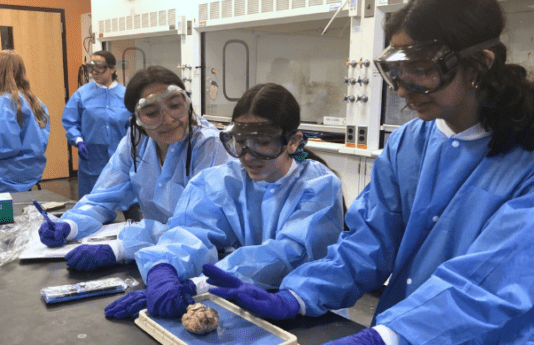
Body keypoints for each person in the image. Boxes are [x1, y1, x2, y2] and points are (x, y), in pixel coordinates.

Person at [199, 0, 534, 345]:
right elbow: (367, 244)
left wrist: (381, 341)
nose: (402, 88)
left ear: (480, 63)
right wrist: (298, 296)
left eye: (419, 68)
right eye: (394, 70)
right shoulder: (410, 143)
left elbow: (493, 280)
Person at [104, 82, 344, 320]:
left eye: (262, 143)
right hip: (241, 300)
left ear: (292, 141)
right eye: (240, 142)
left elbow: (285, 256)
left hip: (301, 306)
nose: (248, 156)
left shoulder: (319, 186)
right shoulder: (223, 179)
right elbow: (191, 232)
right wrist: (163, 268)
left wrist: (196, 286)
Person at [39, 65, 229, 269]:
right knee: (3, 212)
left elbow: (198, 227)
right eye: (152, 113)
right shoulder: (136, 141)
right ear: (137, 120)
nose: (168, 120)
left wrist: (122, 248)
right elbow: (103, 195)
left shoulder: (209, 146)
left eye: (175, 105)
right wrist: (72, 225)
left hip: (201, 260)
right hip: (150, 255)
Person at [62, 50, 132, 198]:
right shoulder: (83, 94)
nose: (94, 72)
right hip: (92, 159)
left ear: (113, 69)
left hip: (121, 157)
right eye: (90, 67)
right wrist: (78, 140)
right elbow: (70, 121)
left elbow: (135, 126)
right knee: (92, 203)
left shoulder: (126, 95)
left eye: (99, 67)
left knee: (127, 201)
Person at [0, 50, 50, 192]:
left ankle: (6, 215)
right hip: (30, 171)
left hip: (6, 176)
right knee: (17, 211)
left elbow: (7, 146)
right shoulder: (35, 102)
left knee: (6, 213)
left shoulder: (5, 102)